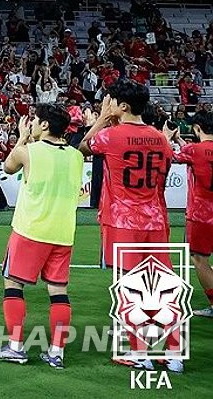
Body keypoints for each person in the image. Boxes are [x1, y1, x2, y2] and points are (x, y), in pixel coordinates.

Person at [80, 80, 176, 371]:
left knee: (128, 288)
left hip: (123, 221)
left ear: (122, 106)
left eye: (111, 101)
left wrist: (101, 118)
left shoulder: (111, 135)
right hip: (155, 219)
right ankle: (173, 354)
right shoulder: (161, 138)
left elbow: (84, 146)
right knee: (163, 287)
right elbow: (164, 174)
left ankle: (140, 353)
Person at [0, 104, 84, 368]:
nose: (30, 123)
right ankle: (57, 352)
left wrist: (21, 138)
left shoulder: (28, 151)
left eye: (34, 120)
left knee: (13, 283)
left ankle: (16, 346)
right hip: (63, 233)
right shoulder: (76, 156)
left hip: (31, 230)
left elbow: (7, 167)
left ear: (44, 125)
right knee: (58, 291)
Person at [174, 111, 213, 318]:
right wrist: (180, 139)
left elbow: (173, 156)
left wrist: (169, 137)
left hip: (202, 215)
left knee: (200, 260)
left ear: (197, 128)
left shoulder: (194, 150)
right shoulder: (194, 149)